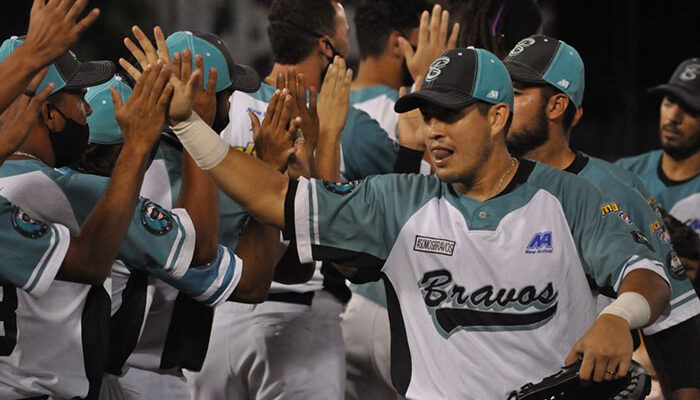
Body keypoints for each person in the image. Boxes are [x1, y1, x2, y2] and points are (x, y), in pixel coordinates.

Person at [168, 46, 671, 399]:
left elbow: (649, 275)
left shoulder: (569, 197)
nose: (433, 131)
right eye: (427, 116)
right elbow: (272, 195)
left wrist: (617, 317)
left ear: (497, 118)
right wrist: (189, 124)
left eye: (450, 115)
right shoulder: (398, 202)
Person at [109, 27, 309, 400]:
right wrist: (271, 171)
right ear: (201, 95)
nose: (232, 105)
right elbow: (262, 280)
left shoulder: (119, 153)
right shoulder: (182, 180)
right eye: (227, 94)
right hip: (139, 377)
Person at [503, 34, 700, 400]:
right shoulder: (479, 181)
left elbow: (675, 325)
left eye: (515, 93)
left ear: (556, 105)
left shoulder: (615, 190)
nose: (500, 103)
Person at [616, 56, 700, 399]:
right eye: (668, 102)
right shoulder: (624, 176)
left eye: (690, 108)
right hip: (632, 336)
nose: (673, 116)